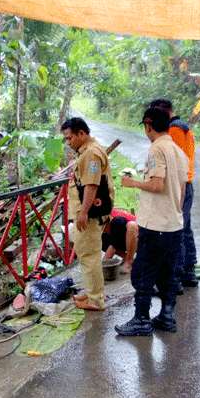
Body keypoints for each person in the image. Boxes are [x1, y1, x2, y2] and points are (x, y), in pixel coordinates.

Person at [115, 107, 188, 336]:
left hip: (155, 225)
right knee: (168, 273)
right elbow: (182, 191)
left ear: (148, 125)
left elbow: (157, 184)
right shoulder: (178, 150)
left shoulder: (157, 149)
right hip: (174, 224)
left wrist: (133, 183)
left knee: (142, 274)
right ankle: (167, 316)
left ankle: (141, 320)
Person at [61, 117, 114, 311]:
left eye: (70, 138)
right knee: (85, 251)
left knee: (89, 253)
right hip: (89, 211)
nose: (68, 142)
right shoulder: (88, 151)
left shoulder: (91, 153)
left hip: (90, 213)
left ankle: (95, 299)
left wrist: (83, 212)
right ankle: (92, 291)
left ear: (81, 134)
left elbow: (91, 184)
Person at [150, 98, 198, 288]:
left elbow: (175, 164)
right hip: (186, 184)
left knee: (174, 230)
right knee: (184, 228)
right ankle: (188, 273)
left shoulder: (175, 130)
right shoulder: (184, 128)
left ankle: (175, 278)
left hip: (179, 186)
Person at [102, 208, 138, 274]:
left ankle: (128, 262)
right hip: (124, 237)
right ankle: (129, 259)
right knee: (102, 240)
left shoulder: (116, 219)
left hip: (139, 239)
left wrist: (102, 266)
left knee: (131, 225)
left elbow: (113, 246)